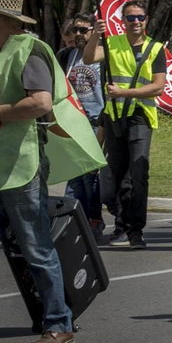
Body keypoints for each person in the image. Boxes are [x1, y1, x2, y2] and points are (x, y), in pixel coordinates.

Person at [0, 0, 77, 343]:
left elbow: (40, 102)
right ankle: (57, 321)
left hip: (22, 167)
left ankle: (59, 324)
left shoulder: (29, 49)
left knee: (37, 248)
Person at [85, 0, 167, 249]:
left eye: (140, 17)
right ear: (122, 21)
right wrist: (94, 37)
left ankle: (136, 230)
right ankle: (120, 227)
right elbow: (89, 58)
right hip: (114, 116)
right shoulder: (111, 44)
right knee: (117, 173)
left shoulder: (155, 48)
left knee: (138, 173)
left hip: (140, 116)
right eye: (130, 17)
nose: (136, 22)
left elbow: (158, 86)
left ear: (146, 19)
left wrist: (124, 93)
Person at [59, 14, 106, 235]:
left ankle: (95, 218)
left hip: (97, 120)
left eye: (83, 30)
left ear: (93, 30)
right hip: (73, 121)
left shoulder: (103, 54)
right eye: (75, 30)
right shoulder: (67, 55)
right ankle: (80, 220)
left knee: (90, 173)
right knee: (76, 175)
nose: (78, 34)